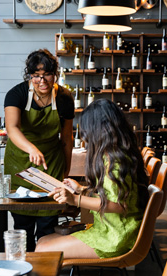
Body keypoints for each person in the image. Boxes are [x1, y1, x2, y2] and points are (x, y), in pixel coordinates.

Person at [35, 99, 150, 259]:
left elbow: (118, 206)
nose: (85, 136)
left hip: (114, 237)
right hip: (110, 229)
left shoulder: (114, 162)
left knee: (41, 249)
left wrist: (74, 199)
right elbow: (113, 195)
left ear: (99, 130)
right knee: (41, 242)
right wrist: (81, 190)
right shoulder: (118, 154)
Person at [4, 49, 74, 251]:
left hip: (51, 163)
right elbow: (12, 128)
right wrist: (31, 148)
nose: (42, 81)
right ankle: (22, 266)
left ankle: (45, 267)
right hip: (20, 163)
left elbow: (67, 138)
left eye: (47, 75)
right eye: (36, 76)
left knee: (48, 224)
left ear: (55, 74)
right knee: (22, 222)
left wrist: (66, 171)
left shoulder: (64, 98)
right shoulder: (16, 94)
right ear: (30, 75)